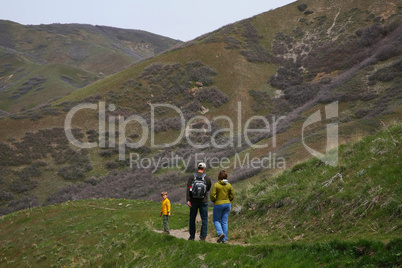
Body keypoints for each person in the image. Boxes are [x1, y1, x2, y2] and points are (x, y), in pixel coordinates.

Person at [186, 162, 212, 241]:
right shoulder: (206, 177)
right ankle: (203, 236)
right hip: (203, 200)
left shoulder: (192, 177)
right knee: (204, 218)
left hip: (193, 200)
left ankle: (192, 236)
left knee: (192, 218)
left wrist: (188, 200)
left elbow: (189, 189)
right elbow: (208, 188)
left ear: (198, 168)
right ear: (204, 168)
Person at [210, 170, 234, 243]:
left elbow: (212, 196)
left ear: (219, 177)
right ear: (226, 177)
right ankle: (224, 240)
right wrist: (228, 200)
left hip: (218, 204)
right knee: (224, 222)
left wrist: (215, 200)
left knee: (216, 220)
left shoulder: (216, 185)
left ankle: (220, 233)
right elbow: (232, 195)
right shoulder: (229, 185)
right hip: (227, 204)